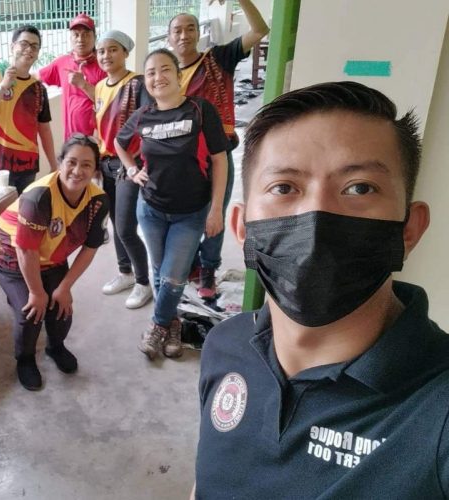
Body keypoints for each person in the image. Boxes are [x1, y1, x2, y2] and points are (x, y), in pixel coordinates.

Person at [194, 82, 441, 498]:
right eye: (284, 187)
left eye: (360, 187)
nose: (316, 215)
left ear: (409, 229)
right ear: (242, 227)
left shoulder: (438, 409)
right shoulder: (224, 345)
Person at [115, 49, 227, 360]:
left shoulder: (200, 110)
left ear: (178, 76)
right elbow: (119, 143)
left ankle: (158, 324)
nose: (157, 77)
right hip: (151, 208)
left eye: (165, 69)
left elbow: (219, 161)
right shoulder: (143, 116)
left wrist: (217, 208)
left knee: (174, 275)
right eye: (150, 72)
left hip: (190, 213)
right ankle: (173, 323)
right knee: (159, 269)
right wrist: (132, 170)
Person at [168, 0, 269, 299]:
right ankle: (193, 265)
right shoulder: (165, 73)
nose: (184, 35)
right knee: (186, 216)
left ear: (198, 33)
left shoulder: (218, 59)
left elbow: (260, 30)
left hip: (217, 156)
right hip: (181, 160)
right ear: (169, 37)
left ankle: (209, 269)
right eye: (177, 30)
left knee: (214, 216)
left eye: (190, 28)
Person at [0, 134, 109, 390]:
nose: (77, 171)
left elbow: (90, 248)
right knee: (31, 312)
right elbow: (26, 250)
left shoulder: (98, 200)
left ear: (95, 169)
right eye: (71, 162)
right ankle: (25, 360)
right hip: (12, 255)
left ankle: (55, 347)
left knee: (61, 308)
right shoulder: (39, 196)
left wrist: (64, 287)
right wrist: (36, 292)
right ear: (60, 162)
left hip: (52, 256)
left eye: (86, 165)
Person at [0, 24, 58, 292]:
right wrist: (2, 87)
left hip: (27, 166)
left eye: (34, 46)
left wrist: (54, 165)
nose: (29, 50)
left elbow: (44, 129)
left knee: (25, 220)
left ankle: (22, 266)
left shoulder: (38, 88)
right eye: (24, 43)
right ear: (13, 46)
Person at [93, 30, 152, 310]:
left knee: (127, 227)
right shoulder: (99, 86)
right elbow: (100, 128)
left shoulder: (137, 84)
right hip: (106, 163)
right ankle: (125, 272)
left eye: (113, 49)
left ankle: (143, 282)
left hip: (128, 165)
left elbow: (148, 124)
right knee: (117, 223)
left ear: (126, 53)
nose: (106, 55)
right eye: (101, 51)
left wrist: (133, 163)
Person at [37, 12, 106, 138]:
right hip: (70, 139)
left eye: (86, 34)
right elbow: (36, 77)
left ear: (95, 37)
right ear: (70, 38)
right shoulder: (62, 63)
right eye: (76, 35)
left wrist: (83, 84)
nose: (80, 39)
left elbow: (108, 101)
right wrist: (10, 81)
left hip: (95, 139)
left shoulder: (104, 65)